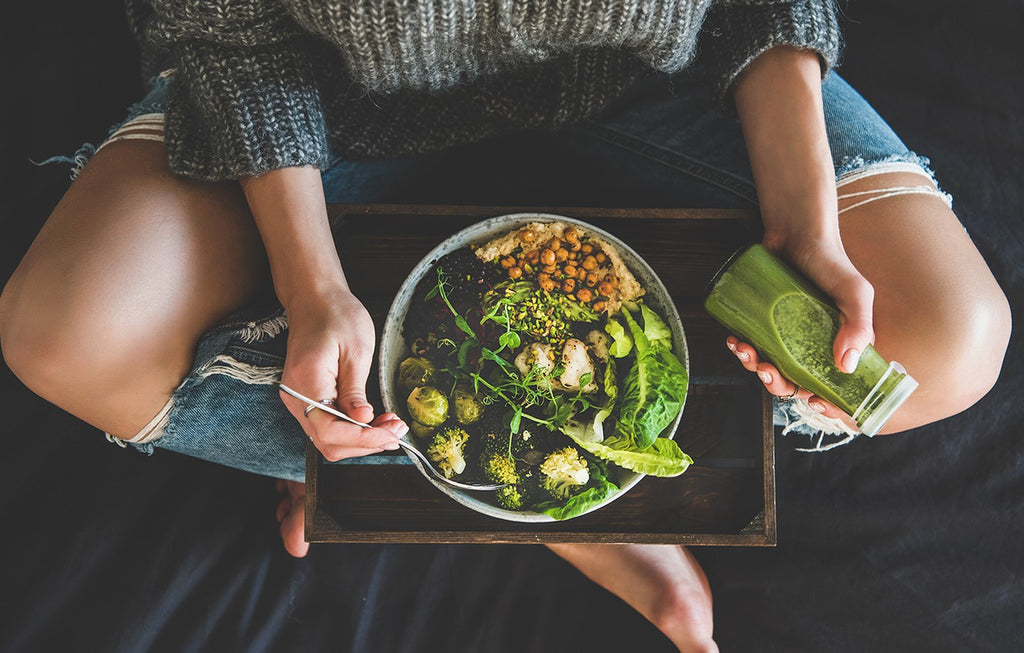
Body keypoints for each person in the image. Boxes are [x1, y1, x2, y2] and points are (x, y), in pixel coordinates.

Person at [0, 1, 1011, 651]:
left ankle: (426, 476)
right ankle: (552, 511)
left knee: (944, 340)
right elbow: (228, 33)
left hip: (661, 77)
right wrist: (311, 286)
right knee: (65, 328)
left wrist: (804, 223)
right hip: (319, 100)